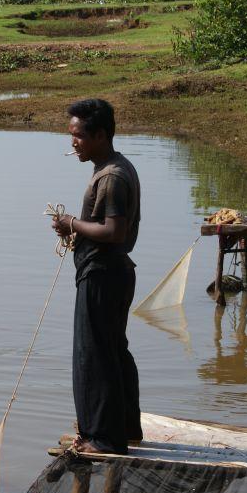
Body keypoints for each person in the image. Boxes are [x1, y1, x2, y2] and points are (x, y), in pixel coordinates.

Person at [51, 98, 143, 455]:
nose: (73, 143)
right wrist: (75, 230)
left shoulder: (113, 177)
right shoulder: (112, 168)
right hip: (111, 273)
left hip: (103, 275)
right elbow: (104, 228)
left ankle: (102, 438)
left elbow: (115, 232)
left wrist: (71, 223)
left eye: (78, 136)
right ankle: (125, 428)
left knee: (93, 355)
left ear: (101, 135)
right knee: (113, 350)